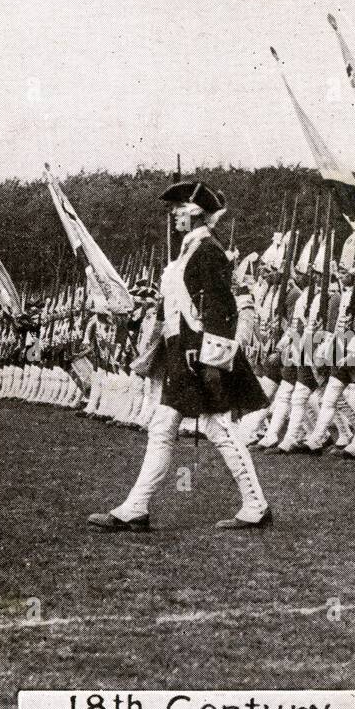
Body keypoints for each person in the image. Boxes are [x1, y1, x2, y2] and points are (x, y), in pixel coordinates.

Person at [88, 181, 272, 532]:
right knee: (163, 426)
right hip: (182, 356)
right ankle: (135, 508)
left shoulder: (208, 252)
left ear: (194, 212)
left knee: (218, 428)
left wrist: (212, 364)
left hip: (199, 357)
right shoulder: (188, 252)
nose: (172, 215)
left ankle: (256, 505)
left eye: (178, 210)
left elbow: (222, 311)